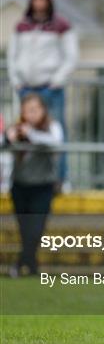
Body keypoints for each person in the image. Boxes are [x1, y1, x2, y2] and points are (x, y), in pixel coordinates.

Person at [7, 0, 78, 189]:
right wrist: (17, 80)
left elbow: (71, 56)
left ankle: (60, 178)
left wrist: (57, 80)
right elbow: (12, 56)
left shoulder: (61, 25)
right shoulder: (21, 26)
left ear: (49, 1)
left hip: (50, 89)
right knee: (23, 133)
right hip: (26, 88)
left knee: (56, 133)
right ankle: (22, 177)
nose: (39, 3)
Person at [5, 93, 63, 277]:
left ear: (43, 110)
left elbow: (55, 143)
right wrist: (9, 138)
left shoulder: (52, 127)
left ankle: (18, 265)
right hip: (20, 187)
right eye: (27, 110)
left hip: (43, 187)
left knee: (35, 230)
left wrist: (31, 134)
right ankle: (31, 268)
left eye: (35, 110)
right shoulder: (16, 128)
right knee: (25, 231)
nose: (31, 114)